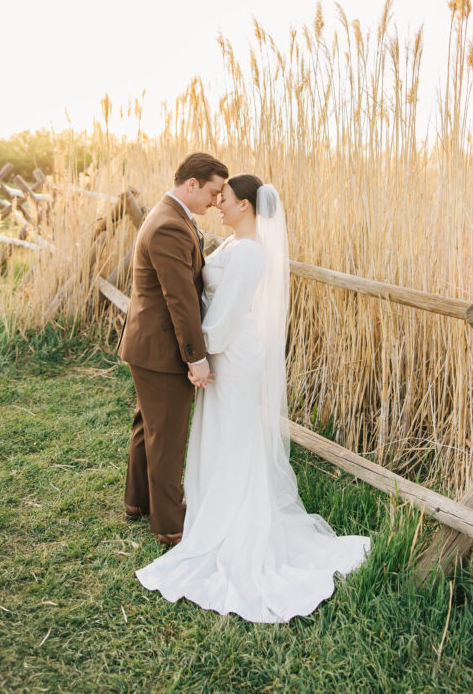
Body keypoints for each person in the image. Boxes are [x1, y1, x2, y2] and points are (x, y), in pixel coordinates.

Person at [135, 174, 370, 623]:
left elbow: (223, 318)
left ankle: (232, 518)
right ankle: (213, 510)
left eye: (224, 200)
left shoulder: (249, 254)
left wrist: (196, 355)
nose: (218, 206)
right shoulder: (230, 245)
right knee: (221, 434)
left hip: (232, 352)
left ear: (245, 206)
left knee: (234, 436)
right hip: (220, 351)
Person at [118, 151, 229, 546]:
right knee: (166, 435)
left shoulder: (170, 215)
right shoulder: (169, 225)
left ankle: (137, 502)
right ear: (192, 184)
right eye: (214, 192)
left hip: (148, 344)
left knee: (148, 425)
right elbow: (180, 300)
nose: (217, 201)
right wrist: (196, 359)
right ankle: (169, 525)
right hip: (161, 348)